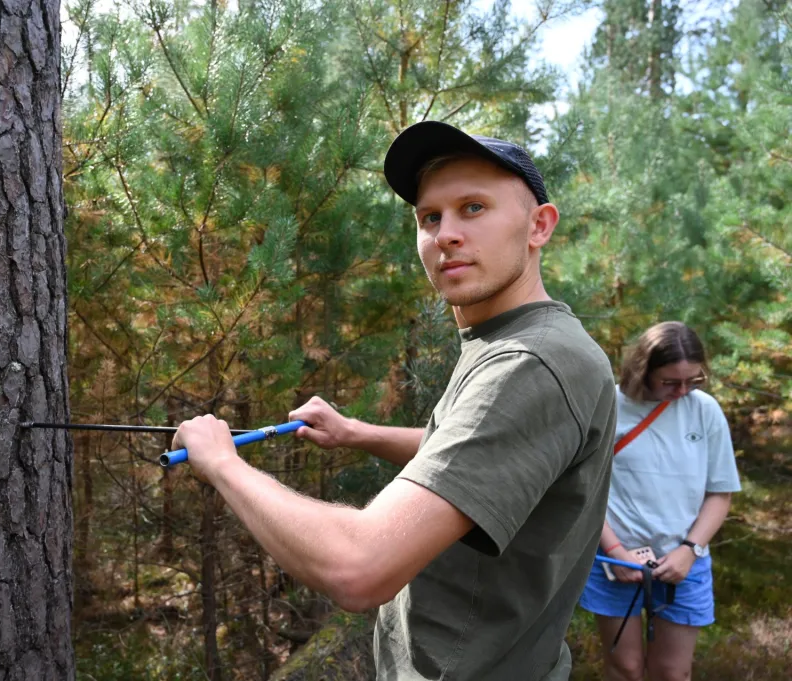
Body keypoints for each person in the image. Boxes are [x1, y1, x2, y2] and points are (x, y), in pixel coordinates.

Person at [172, 121, 618, 680]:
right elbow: (472, 457)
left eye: (473, 208)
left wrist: (222, 464)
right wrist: (357, 433)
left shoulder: (529, 363)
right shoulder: (511, 340)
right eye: (430, 217)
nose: (446, 234)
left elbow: (358, 568)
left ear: (538, 226)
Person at [579, 321, 741, 681]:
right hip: (613, 560)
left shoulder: (705, 410)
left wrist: (689, 550)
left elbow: (720, 494)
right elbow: (586, 490)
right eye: (670, 382)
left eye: (693, 380)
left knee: (672, 673)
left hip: (685, 561)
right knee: (626, 668)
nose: (682, 391)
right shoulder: (608, 406)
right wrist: (617, 551)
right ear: (643, 370)